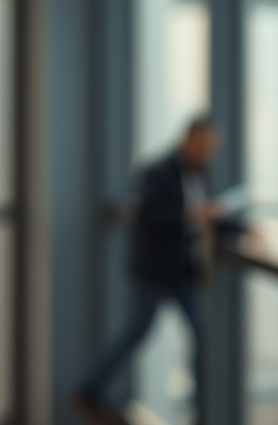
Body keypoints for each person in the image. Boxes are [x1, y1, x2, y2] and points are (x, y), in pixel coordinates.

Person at [73, 117, 244, 425]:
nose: (208, 151)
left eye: (212, 147)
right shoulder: (158, 171)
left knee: (201, 334)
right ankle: (90, 390)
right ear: (189, 139)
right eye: (204, 145)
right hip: (154, 272)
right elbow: (150, 216)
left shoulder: (200, 172)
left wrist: (243, 228)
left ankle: (201, 410)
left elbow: (207, 215)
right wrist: (191, 215)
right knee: (137, 331)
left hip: (184, 272)